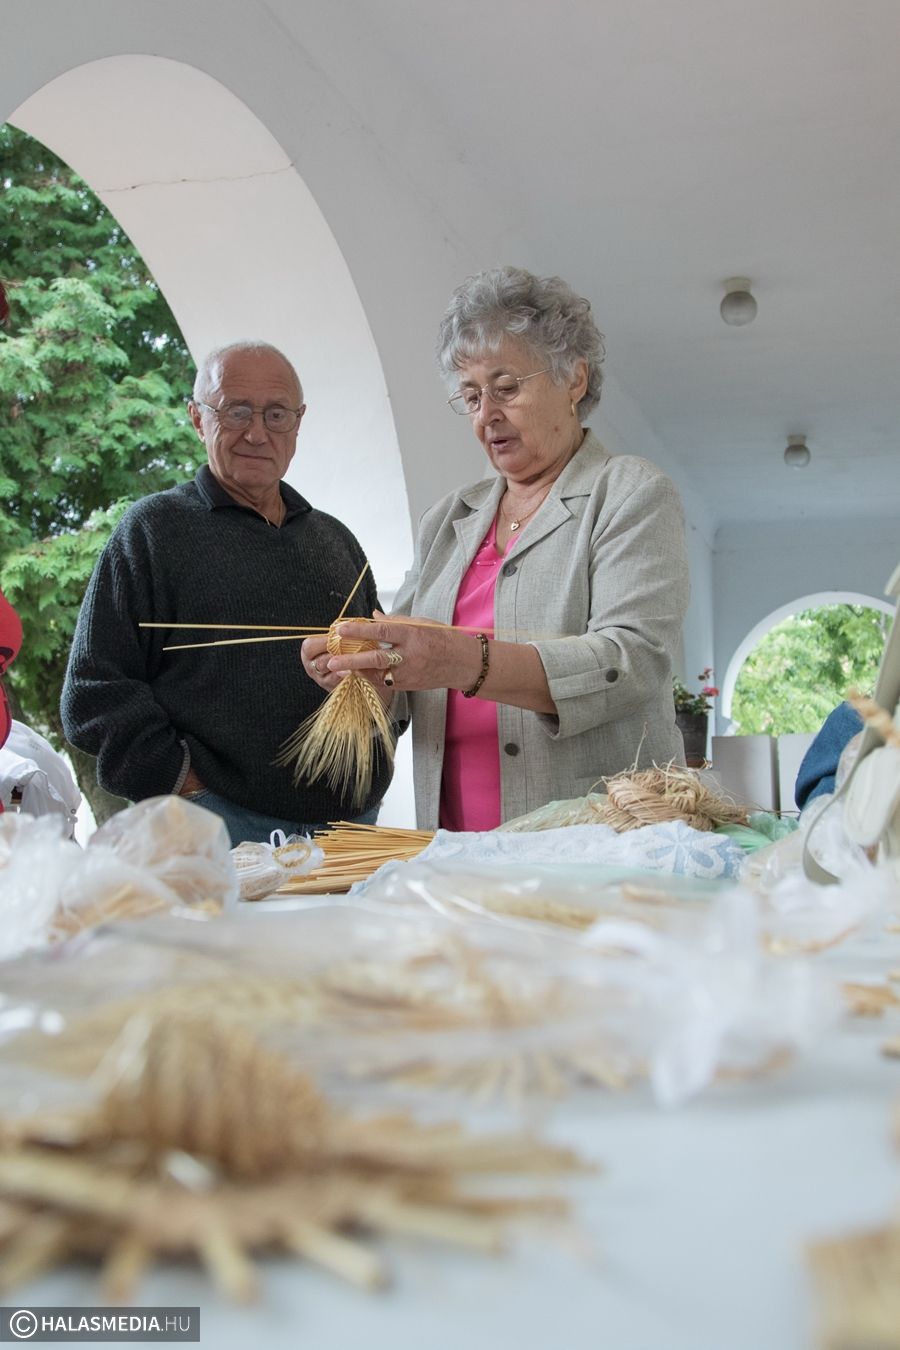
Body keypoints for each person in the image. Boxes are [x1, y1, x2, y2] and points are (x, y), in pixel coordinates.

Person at [304, 267, 690, 830]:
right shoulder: (447, 520)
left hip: (594, 839)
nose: (487, 414)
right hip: (456, 846)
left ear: (574, 379)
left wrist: (463, 660)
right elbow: (404, 689)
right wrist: (364, 675)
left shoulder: (629, 492)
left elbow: (631, 662)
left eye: (506, 388)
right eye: (471, 396)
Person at [61, 341, 390, 845]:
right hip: (216, 825)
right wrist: (184, 784)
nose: (257, 432)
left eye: (276, 414)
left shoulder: (336, 539)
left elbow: (383, 670)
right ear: (197, 419)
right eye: (236, 411)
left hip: (353, 828)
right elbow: (93, 690)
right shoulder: (152, 530)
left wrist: (382, 722)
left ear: (298, 423)